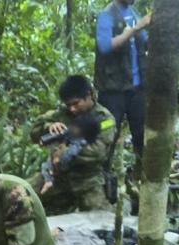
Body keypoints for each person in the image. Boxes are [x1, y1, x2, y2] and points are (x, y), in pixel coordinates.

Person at [31, 75, 116, 214]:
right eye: (68, 104)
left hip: (88, 179)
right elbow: (34, 132)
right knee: (22, 195)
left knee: (102, 221)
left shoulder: (104, 118)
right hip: (58, 176)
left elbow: (97, 152)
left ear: (88, 96)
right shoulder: (62, 112)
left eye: (76, 103)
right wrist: (49, 127)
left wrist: (64, 151)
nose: (72, 109)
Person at [95, 0, 150, 211]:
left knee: (141, 137)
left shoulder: (133, 12)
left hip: (136, 89)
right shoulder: (106, 15)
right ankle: (103, 190)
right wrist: (134, 29)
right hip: (113, 90)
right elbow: (105, 46)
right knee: (108, 137)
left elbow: (143, 41)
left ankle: (140, 187)